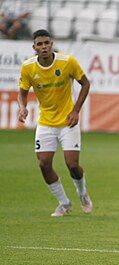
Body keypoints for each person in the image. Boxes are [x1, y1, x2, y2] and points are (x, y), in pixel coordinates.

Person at [18, 29, 93, 217]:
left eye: (46, 43)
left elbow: (85, 83)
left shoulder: (67, 62)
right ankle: (64, 203)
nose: (43, 47)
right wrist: (22, 107)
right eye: (39, 44)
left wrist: (76, 110)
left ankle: (82, 193)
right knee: (44, 164)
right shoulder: (28, 67)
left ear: (51, 44)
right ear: (34, 47)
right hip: (45, 122)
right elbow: (22, 93)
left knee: (72, 165)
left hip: (68, 121)